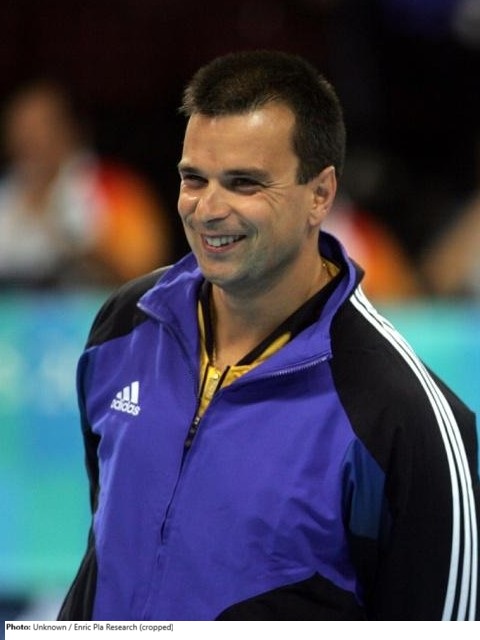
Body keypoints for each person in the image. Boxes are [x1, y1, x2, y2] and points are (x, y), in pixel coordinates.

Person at [58, 51, 479, 621]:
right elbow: (108, 550)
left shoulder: (402, 415)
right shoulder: (126, 325)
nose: (208, 209)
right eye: (193, 178)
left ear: (321, 194)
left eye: (244, 183)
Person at [0, 80, 173, 288]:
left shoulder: (117, 189)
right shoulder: (6, 196)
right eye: (21, 130)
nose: (30, 141)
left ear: (71, 129)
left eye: (40, 129)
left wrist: (69, 237)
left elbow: (146, 270)